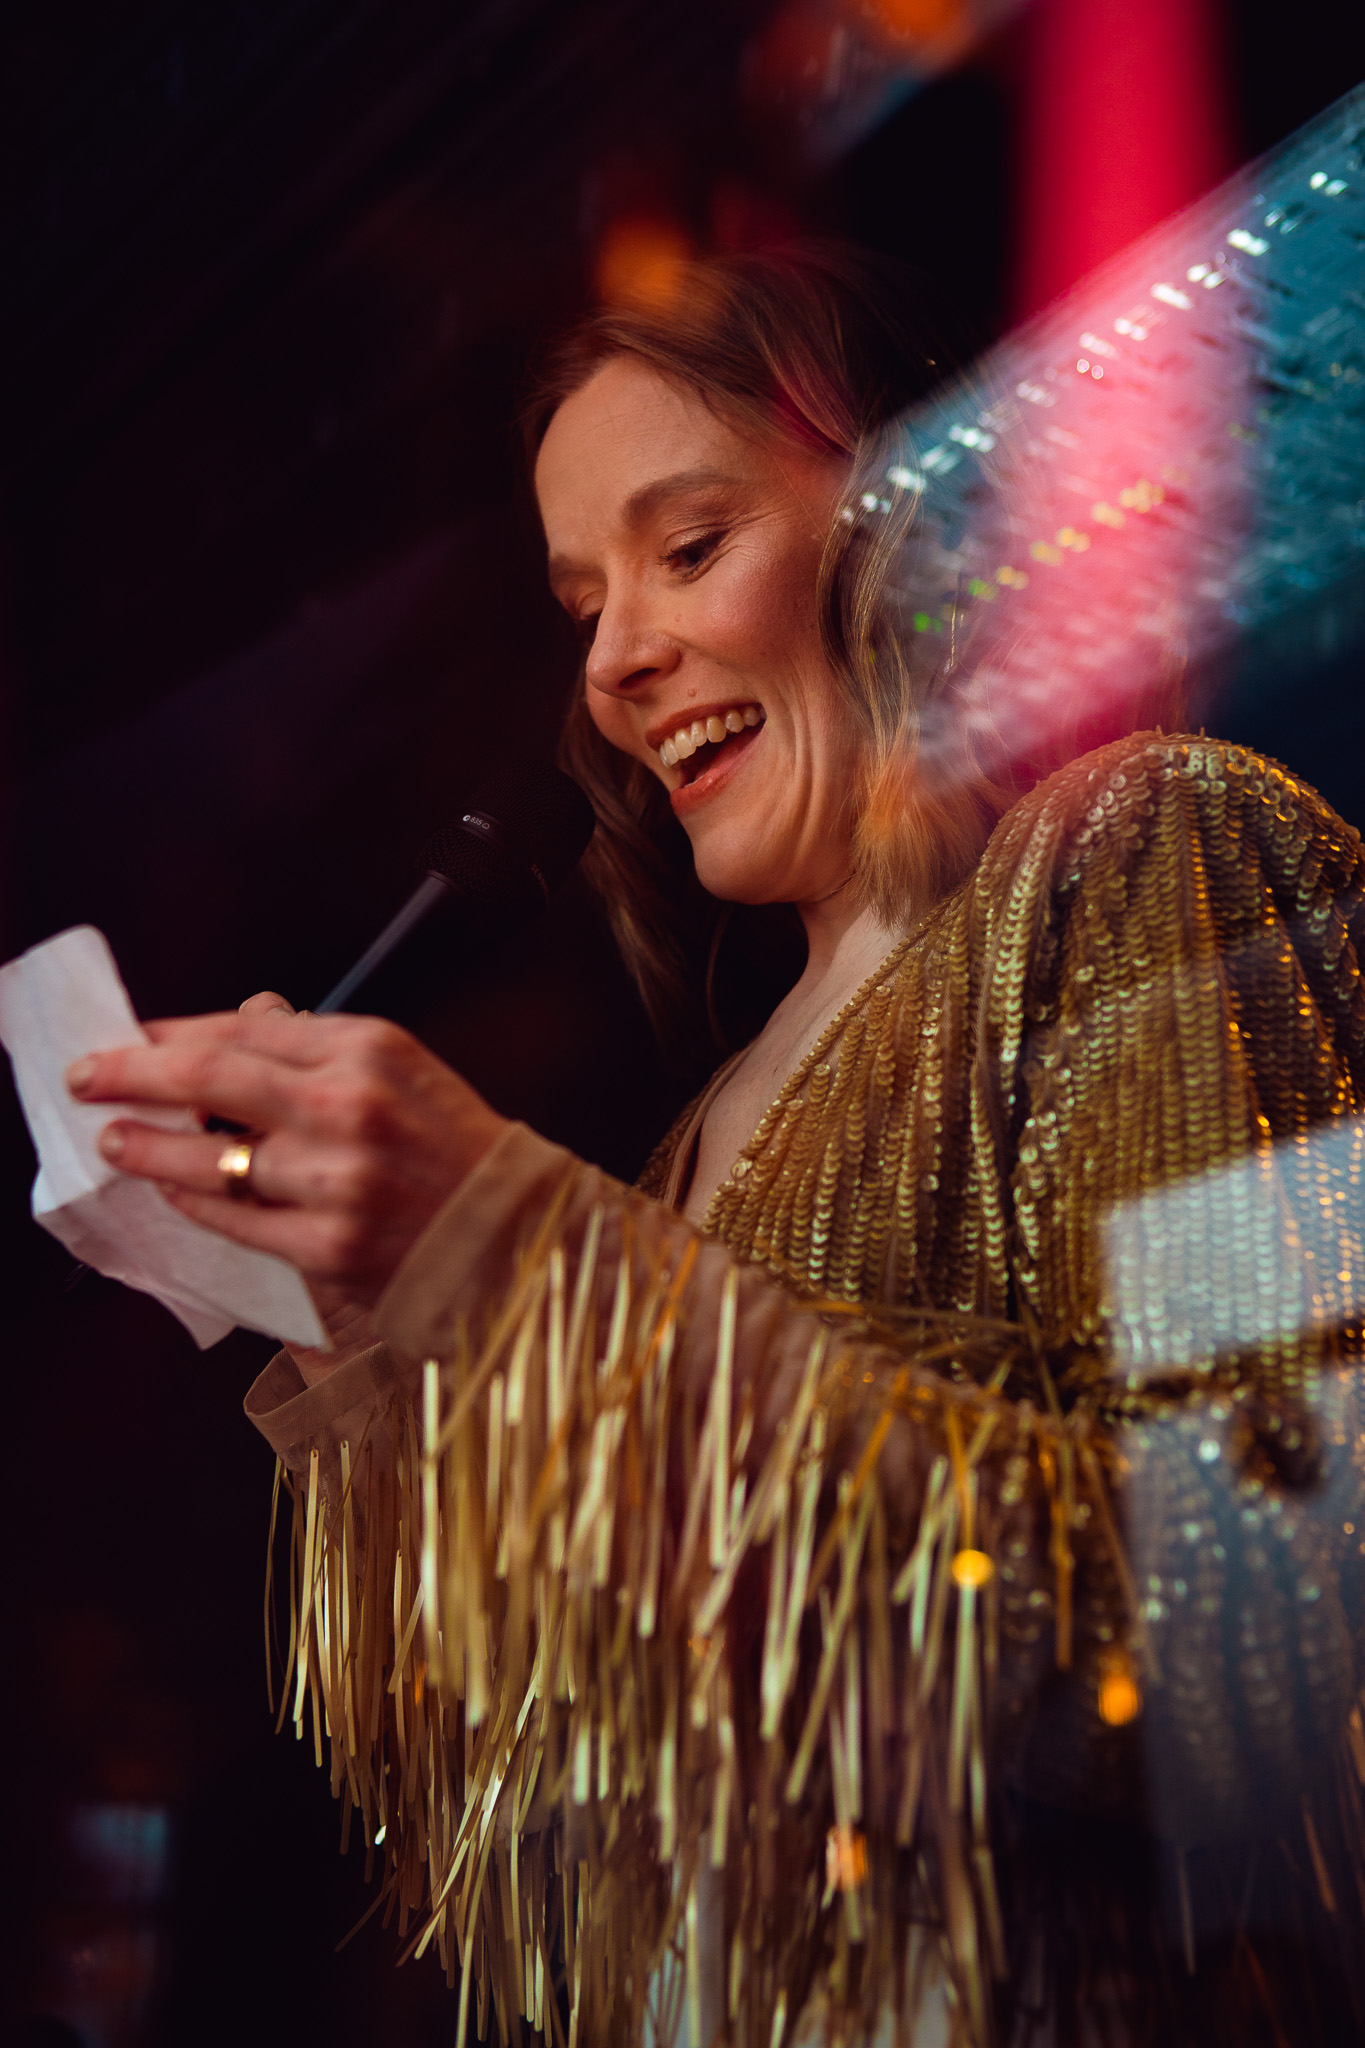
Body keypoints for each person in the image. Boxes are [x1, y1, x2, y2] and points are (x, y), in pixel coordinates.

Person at [65, 247, 1365, 2046]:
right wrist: (373, 1337)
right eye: (582, 598)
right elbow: (545, 1852)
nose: (611, 656)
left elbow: (1266, 1652)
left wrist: (526, 1262)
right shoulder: (689, 1143)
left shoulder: (1150, 850)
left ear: (911, 523)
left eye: (686, 550)